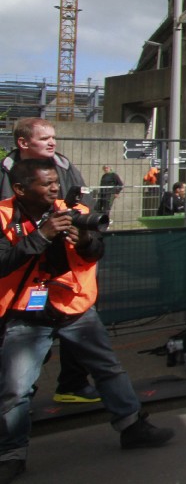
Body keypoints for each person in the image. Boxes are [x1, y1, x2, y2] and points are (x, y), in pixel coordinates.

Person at [0, 158, 174, 482]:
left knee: (108, 368)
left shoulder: (71, 210)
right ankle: (12, 454)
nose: (55, 188)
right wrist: (41, 236)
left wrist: (83, 241)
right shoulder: (4, 215)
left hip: (74, 305)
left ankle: (132, 427)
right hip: (27, 312)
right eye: (46, 183)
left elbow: (96, 252)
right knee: (15, 387)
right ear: (20, 189)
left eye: (56, 181)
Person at [0, 118, 99, 406]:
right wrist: (36, 235)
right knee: (22, 344)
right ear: (23, 143)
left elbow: (84, 205)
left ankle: (73, 384)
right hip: (19, 274)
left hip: (64, 270)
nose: (52, 142)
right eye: (45, 138)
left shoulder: (65, 166)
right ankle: (18, 400)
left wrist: (82, 233)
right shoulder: (5, 171)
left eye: (53, 137)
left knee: (79, 330)